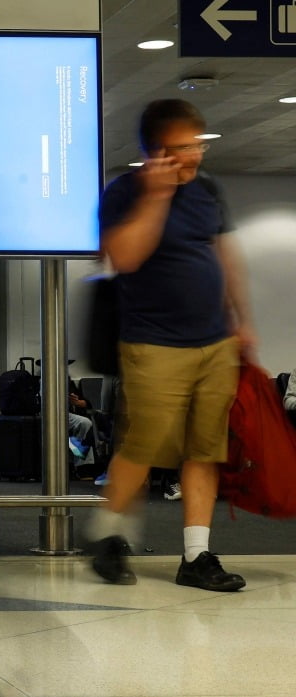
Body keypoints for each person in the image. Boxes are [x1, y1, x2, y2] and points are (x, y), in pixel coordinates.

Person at [87, 99, 255, 593]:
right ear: (156, 150)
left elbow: (225, 256)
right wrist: (157, 197)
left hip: (214, 342)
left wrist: (243, 319)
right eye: (184, 147)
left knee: (205, 449)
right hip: (153, 344)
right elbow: (124, 256)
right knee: (144, 445)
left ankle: (196, 556)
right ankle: (109, 538)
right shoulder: (124, 192)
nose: (195, 155)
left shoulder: (207, 191)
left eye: (198, 144)